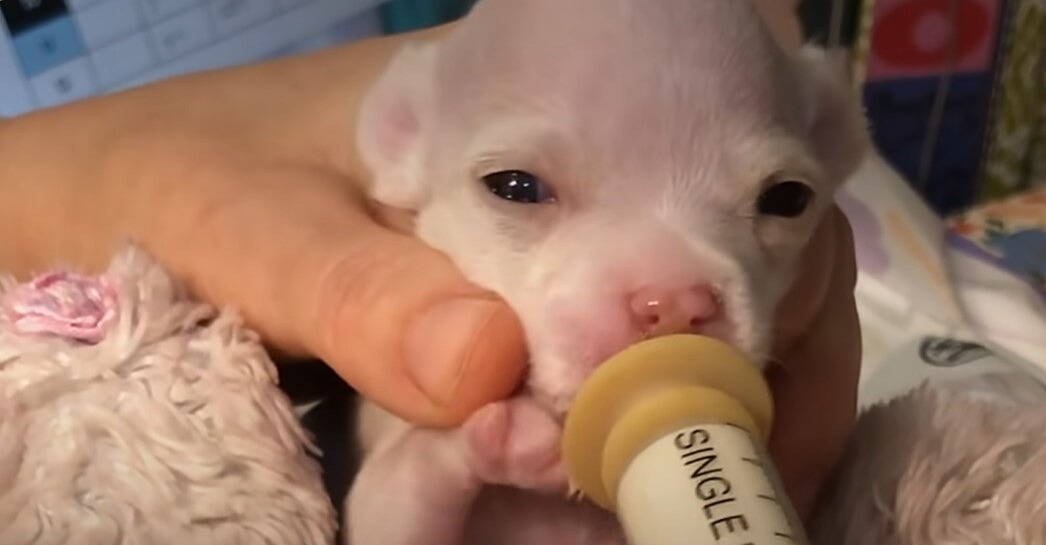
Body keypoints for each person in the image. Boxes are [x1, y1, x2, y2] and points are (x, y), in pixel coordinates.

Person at [0, 0, 860, 522]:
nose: (675, 297)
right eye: (521, 187)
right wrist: (442, 466)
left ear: (830, 144)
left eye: (778, 199)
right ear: (402, 141)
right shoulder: (423, 402)